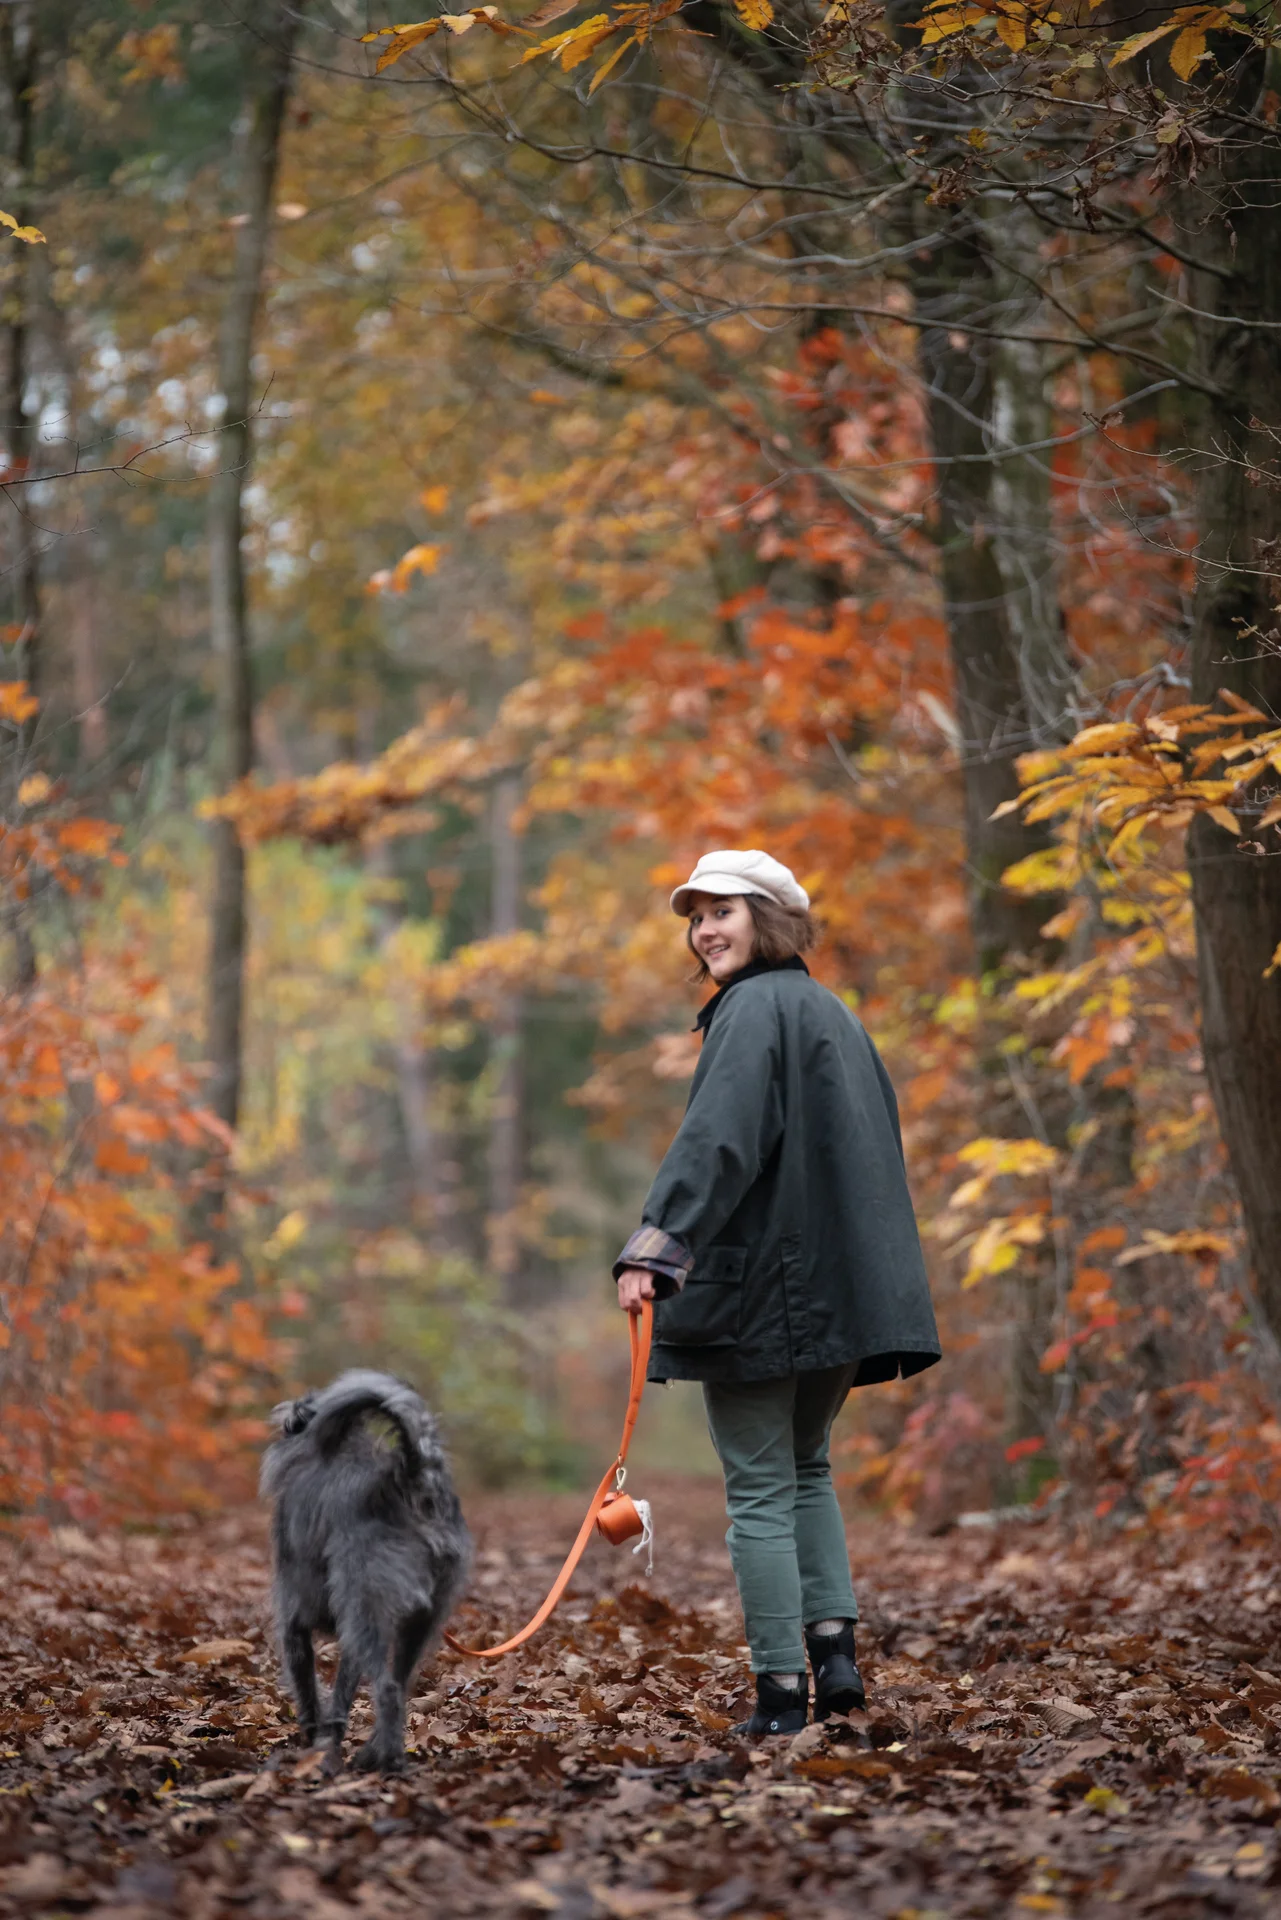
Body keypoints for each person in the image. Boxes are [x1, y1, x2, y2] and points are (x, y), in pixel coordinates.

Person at [614, 849, 940, 1736]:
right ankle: (835, 1661)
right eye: (696, 915)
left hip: (768, 1290)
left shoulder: (751, 1012)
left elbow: (718, 1141)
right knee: (805, 1473)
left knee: (760, 1489)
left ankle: (778, 1695)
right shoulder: (832, 1012)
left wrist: (657, 1245)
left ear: (771, 919)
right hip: (839, 1294)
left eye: (724, 910)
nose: (704, 928)